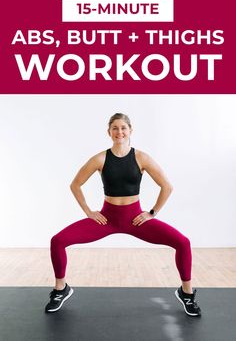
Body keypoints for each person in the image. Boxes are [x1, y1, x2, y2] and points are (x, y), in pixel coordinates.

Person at [45, 113, 201, 317]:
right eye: (115, 128)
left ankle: (186, 293)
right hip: (107, 219)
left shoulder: (141, 157)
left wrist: (152, 213)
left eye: (123, 128)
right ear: (109, 132)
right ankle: (60, 289)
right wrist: (89, 212)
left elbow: (167, 186)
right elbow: (75, 185)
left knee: (183, 242)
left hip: (135, 219)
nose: (119, 132)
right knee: (58, 240)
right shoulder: (100, 158)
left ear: (130, 131)